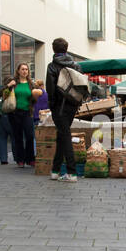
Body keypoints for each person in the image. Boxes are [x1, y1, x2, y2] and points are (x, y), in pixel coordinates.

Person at [45, 38, 80, 183]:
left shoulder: (52, 66)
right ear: (66, 48)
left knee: (65, 136)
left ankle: (72, 172)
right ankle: (55, 170)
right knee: (61, 135)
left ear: (53, 49)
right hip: (72, 104)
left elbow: (50, 89)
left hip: (59, 106)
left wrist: (52, 105)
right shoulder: (76, 65)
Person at [5, 63, 36, 167]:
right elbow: (2, 94)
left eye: (26, 69)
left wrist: (36, 96)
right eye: (22, 69)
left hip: (27, 112)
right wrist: (8, 86)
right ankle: (20, 160)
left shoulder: (31, 84)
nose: (24, 71)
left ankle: (30, 159)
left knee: (29, 136)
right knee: (18, 137)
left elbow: (34, 100)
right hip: (15, 113)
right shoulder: (14, 82)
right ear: (18, 71)